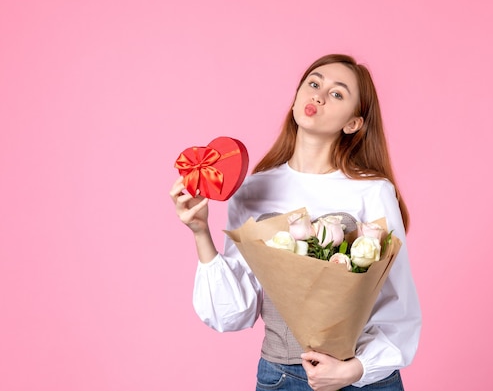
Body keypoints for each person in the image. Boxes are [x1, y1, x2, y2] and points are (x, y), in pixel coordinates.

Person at [170, 54, 422, 391]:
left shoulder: (372, 192)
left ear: (353, 124)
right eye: (314, 84)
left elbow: (398, 303)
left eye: (337, 94)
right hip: (283, 379)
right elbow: (235, 314)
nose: (318, 95)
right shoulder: (253, 191)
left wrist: (355, 370)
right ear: (295, 102)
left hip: (364, 380)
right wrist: (201, 231)